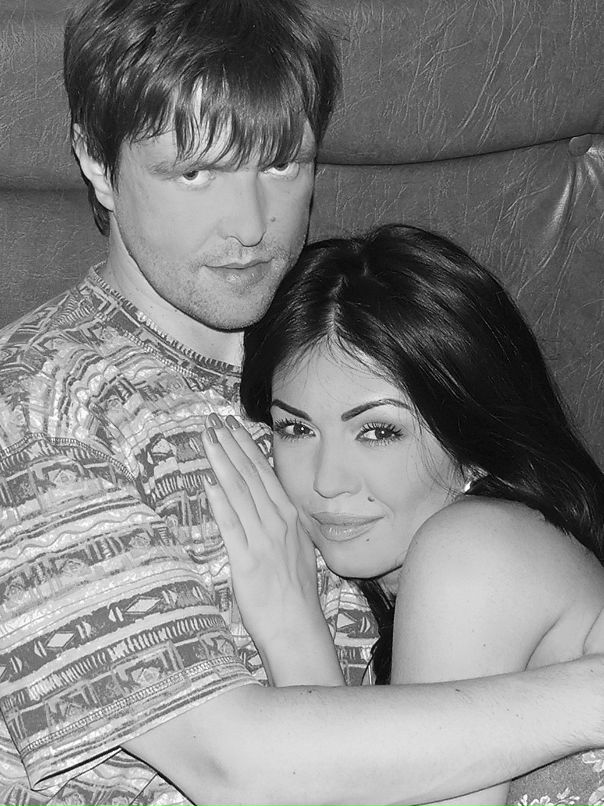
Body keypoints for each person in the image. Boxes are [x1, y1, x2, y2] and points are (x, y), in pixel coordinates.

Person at [0, 1, 604, 804]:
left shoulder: (339, 343)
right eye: (195, 172)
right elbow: (227, 764)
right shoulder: (39, 401)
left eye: (283, 164)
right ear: (97, 162)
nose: (250, 226)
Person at [200, 223, 604, 805]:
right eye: (296, 428)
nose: (327, 481)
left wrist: (292, 632)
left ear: (470, 436)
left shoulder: (476, 549)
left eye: (379, 431)